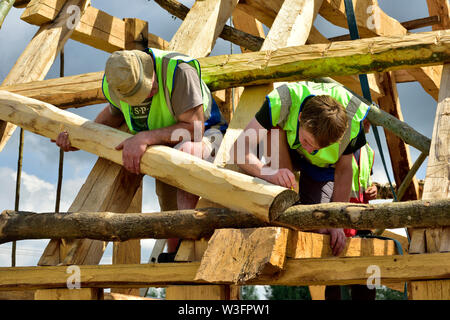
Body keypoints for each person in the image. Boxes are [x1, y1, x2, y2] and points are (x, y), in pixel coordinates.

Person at [53, 48, 227, 261]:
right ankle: (174, 252)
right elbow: (110, 117)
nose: (151, 91)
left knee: (184, 154)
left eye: (148, 85)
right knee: (167, 189)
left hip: (208, 136)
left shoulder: (179, 70)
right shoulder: (118, 83)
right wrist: (76, 138)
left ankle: (189, 247)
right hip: (164, 148)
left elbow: (194, 129)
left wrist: (144, 138)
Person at [234, 81, 371, 258]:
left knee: (319, 227)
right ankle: (285, 197)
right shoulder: (282, 101)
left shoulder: (353, 120)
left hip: (321, 169)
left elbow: (344, 171)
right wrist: (270, 173)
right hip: (284, 148)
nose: (310, 150)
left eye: (317, 148)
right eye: (307, 141)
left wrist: (336, 220)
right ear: (300, 117)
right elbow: (238, 150)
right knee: (274, 131)